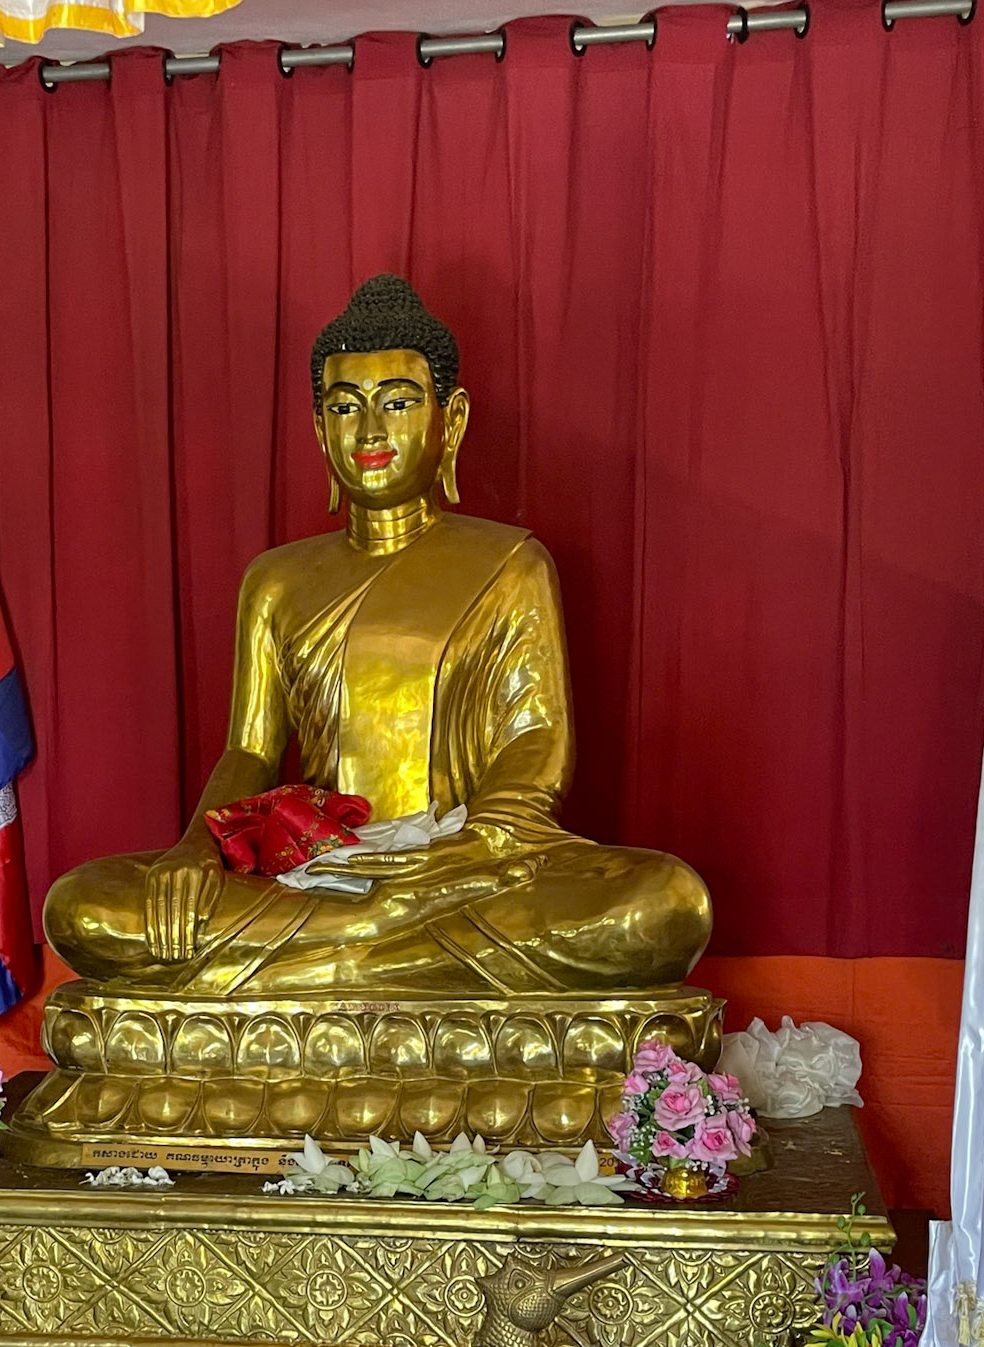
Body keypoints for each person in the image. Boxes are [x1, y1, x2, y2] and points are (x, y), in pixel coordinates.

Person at [44, 274, 711, 998]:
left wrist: (473, 845)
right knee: (83, 906)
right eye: (344, 407)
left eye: (396, 402)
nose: (369, 432)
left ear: (449, 420)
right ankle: (379, 948)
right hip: (317, 870)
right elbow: (250, 749)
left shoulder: (509, 563)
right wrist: (195, 850)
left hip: (464, 868)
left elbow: (537, 739)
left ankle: (320, 969)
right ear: (317, 426)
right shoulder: (276, 580)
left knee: (661, 903)